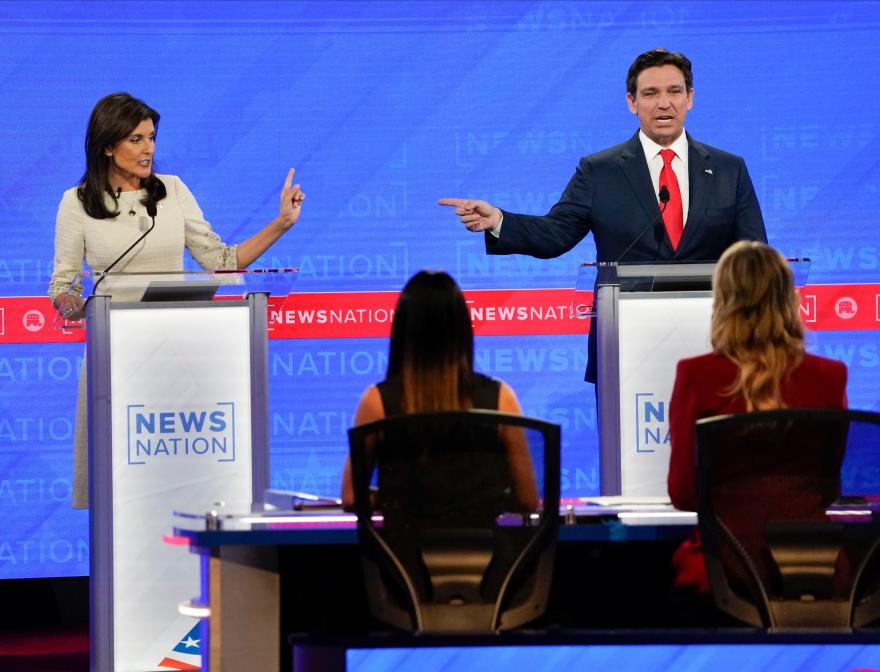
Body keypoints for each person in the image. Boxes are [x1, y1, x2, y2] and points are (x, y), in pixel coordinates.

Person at [439, 48, 767, 383]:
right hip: (627, 346)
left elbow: (757, 260)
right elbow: (556, 233)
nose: (664, 103)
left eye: (674, 91)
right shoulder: (600, 171)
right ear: (632, 102)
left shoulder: (729, 169)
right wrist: (497, 220)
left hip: (715, 344)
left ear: (690, 98)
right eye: (650, 93)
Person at [48, 92, 305, 508]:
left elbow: (220, 261)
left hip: (176, 352)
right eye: (135, 139)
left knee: (177, 480)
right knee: (120, 483)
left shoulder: (172, 192)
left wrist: (281, 224)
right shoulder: (76, 204)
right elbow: (63, 285)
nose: (148, 148)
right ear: (107, 146)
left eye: (151, 137)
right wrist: (72, 307)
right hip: (115, 354)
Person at [667, 240, 847, 600]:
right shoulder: (829, 376)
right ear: (788, 299)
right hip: (814, 569)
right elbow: (830, 487)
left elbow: (684, 494)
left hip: (726, 574)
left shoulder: (697, 375)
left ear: (724, 303)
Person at [340, 270, 538, 513]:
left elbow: (351, 497)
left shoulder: (376, 402)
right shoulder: (500, 398)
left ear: (403, 331)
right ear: (462, 328)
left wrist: (392, 499)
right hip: (484, 550)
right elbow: (528, 500)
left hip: (401, 550)